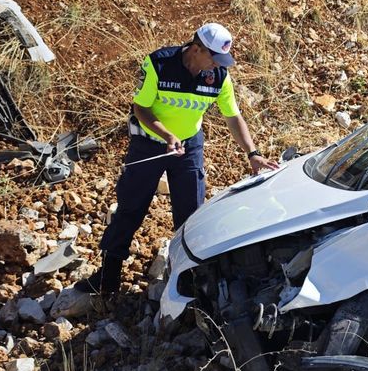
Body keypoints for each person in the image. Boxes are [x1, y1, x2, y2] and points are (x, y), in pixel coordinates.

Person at [78, 23, 278, 296]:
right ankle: (107, 277)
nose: (217, 66)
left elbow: (233, 116)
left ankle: (188, 278)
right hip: (149, 143)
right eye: (214, 58)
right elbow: (141, 108)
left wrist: (252, 154)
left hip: (189, 145)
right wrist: (167, 135)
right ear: (196, 49)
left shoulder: (219, 76)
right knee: (131, 208)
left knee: (191, 214)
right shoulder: (159, 64)